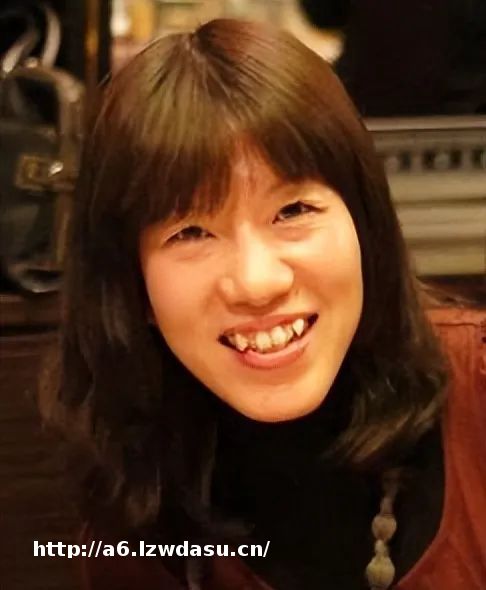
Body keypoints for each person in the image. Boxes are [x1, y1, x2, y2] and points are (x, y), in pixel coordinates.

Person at [40, 18, 486, 590]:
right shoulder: (135, 483)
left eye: (293, 211)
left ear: (364, 224)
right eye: (191, 232)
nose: (256, 283)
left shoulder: (476, 390)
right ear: (131, 281)